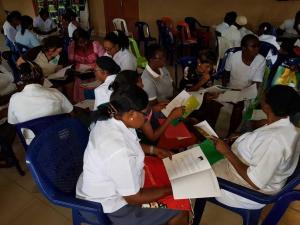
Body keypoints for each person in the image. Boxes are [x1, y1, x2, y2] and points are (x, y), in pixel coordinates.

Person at [76, 85, 189, 225]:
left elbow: (130, 144)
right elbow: (133, 198)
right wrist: (173, 188)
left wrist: (153, 150)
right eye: (145, 114)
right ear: (130, 115)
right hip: (106, 207)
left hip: (100, 185)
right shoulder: (119, 149)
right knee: (180, 210)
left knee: (164, 175)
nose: (148, 118)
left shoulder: (110, 119)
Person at [212, 85, 300, 209]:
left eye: (263, 97)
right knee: (199, 155)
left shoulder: (273, 140)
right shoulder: (290, 129)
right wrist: (244, 137)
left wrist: (227, 152)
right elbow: (262, 145)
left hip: (246, 193)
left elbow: (255, 182)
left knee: (194, 166)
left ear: (267, 106)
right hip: (257, 177)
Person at [109, 70, 184, 143]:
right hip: (153, 138)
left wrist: (153, 109)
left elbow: (147, 113)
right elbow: (153, 137)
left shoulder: (128, 99)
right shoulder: (138, 113)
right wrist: (171, 117)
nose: (142, 84)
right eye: (139, 82)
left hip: (153, 123)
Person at [7, 61, 73, 143]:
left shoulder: (14, 99)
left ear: (21, 81)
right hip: (61, 140)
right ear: (43, 79)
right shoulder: (55, 93)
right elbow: (70, 112)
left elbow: (13, 122)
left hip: (34, 147)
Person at [223, 34, 266, 135]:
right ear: (244, 48)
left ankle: (230, 134)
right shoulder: (234, 57)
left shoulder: (260, 60)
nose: (257, 49)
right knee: (213, 101)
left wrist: (245, 93)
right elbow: (226, 73)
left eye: (258, 46)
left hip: (247, 91)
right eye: (253, 46)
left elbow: (256, 84)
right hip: (232, 88)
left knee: (239, 105)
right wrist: (224, 87)